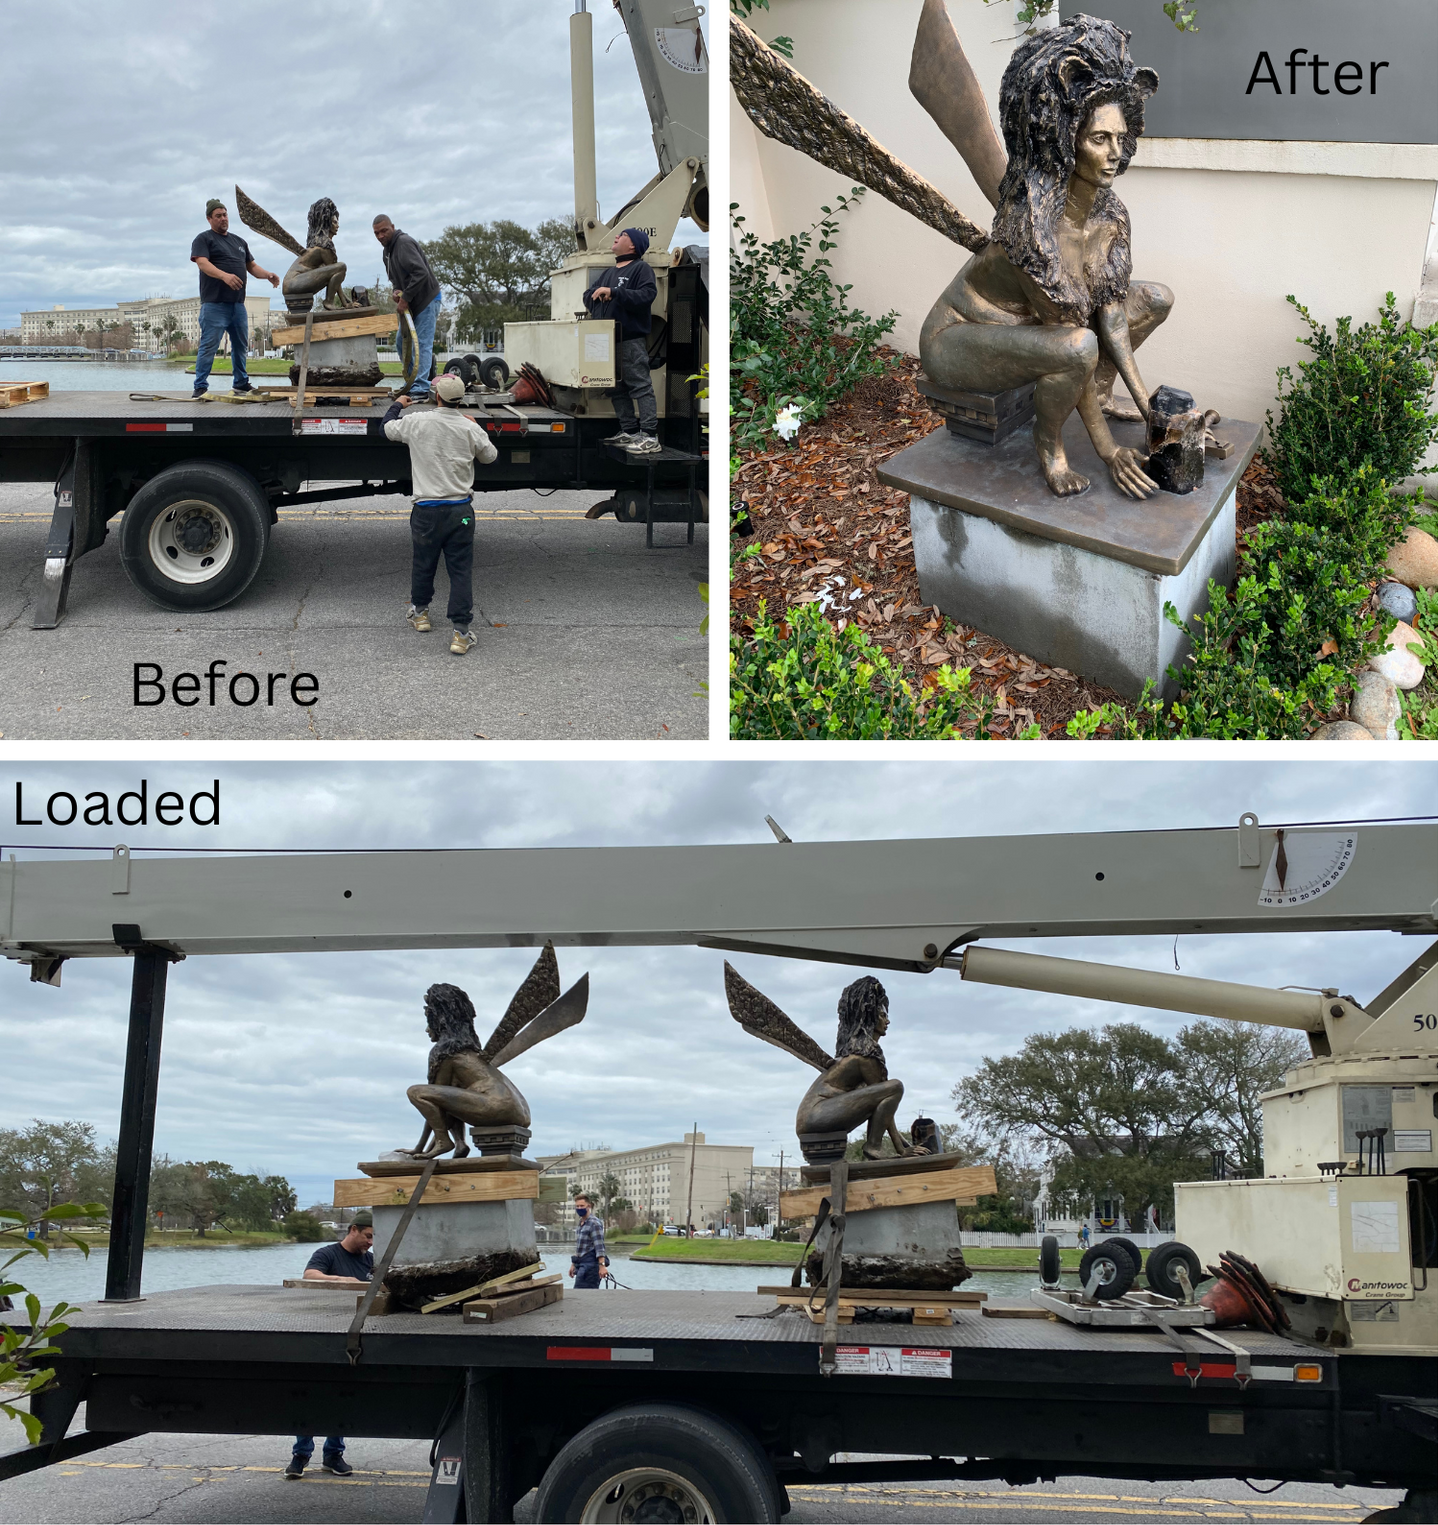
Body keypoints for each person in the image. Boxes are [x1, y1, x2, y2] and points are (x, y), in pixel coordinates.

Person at [376, 373, 498, 654]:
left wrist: (398, 404)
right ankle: (461, 634)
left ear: (436, 397)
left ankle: (420, 614)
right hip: (460, 512)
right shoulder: (469, 427)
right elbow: (491, 457)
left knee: (423, 563)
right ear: (461, 400)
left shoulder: (417, 422)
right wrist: (477, 428)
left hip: (426, 512)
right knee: (460, 570)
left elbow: (385, 429)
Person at [285, 1213, 374, 1478]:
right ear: (354, 1230)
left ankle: (333, 1455)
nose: (370, 1242)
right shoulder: (327, 1254)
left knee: (341, 1394)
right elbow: (310, 1275)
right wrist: (343, 1280)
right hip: (321, 1330)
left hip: (351, 1335)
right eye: (368, 1236)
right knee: (310, 1394)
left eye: (374, 1238)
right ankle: (300, 1455)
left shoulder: (370, 1260)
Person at [189, 199, 279, 400]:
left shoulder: (239, 242)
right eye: (218, 216)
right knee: (209, 346)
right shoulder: (203, 239)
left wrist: (267, 275)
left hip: (237, 306)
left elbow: (251, 266)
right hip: (214, 305)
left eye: (225, 214)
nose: (223, 218)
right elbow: (202, 263)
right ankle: (200, 387)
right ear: (209, 219)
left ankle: (240, 383)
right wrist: (224, 276)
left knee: (240, 346)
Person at [583, 228, 660, 454]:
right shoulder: (609, 272)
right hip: (606, 341)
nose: (616, 236)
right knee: (614, 387)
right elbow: (588, 295)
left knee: (640, 386)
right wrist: (598, 295)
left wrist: (615, 293)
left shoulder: (641, 268)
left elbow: (647, 295)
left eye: (623, 235)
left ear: (633, 245)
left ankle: (650, 436)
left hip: (630, 339)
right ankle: (629, 431)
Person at [373, 214, 442, 400]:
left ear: (392, 227)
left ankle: (420, 387)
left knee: (422, 344)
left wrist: (406, 298)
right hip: (412, 304)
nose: (380, 236)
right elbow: (396, 280)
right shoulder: (387, 252)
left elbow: (421, 272)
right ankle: (413, 382)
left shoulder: (403, 243)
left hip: (427, 299)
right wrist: (396, 291)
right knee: (400, 342)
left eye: (384, 231)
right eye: (376, 233)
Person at [566, 1193, 608, 1289]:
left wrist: (602, 1266)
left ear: (588, 1206)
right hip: (581, 1264)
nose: (579, 1208)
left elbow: (599, 1247)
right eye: (577, 1206)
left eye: (582, 1206)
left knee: (583, 1293)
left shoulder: (594, 1223)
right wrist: (573, 1264)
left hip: (591, 1266)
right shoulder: (581, 1223)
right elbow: (580, 1248)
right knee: (579, 1292)